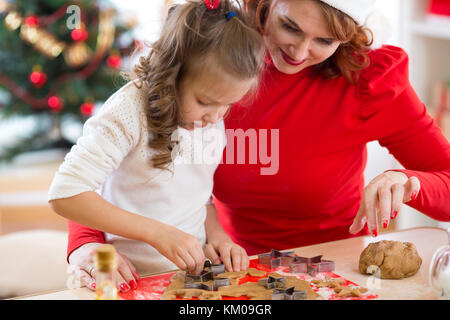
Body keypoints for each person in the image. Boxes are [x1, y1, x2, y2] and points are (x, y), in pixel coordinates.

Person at [65, 0, 450, 291]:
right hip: (226, 270)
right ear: (263, 5)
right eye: (290, 27)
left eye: (325, 40)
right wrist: (86, 245)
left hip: (332, 270)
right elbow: (102, 170)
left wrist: (410, 181)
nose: (300, 53)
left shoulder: (368, 83)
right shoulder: (208, 61)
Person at [48, 0, 265, 292]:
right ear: (172, 72)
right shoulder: (128, 112)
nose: (215, 116)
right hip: (124, 279)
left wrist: (218, 236)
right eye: (205, 101)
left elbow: (200, 195)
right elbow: (65, 193)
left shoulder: (208, 118)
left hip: (188, 281)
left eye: (227, 104)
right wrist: (158, 233)